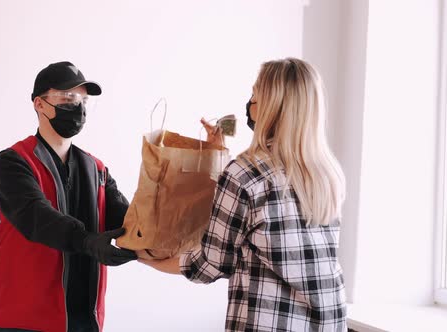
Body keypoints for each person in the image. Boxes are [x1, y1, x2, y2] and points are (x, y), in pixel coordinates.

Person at [140, 58, 347, 332]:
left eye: (255, 95)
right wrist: (218, 153)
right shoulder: (327, 174)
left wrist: (148, 259)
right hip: (329, 322)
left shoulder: (245, 174)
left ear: (273, 107)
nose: (250, 104)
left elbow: (210, 265)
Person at [0, 61, 137, 332]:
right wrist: (88, 241)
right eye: (67, 99)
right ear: (39, 104)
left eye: (83, 100)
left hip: (83, 319)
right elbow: (36, 217)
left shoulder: (97, 170)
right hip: (23, 321)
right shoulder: (13, 162)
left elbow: (132, 221)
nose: (78, 107)